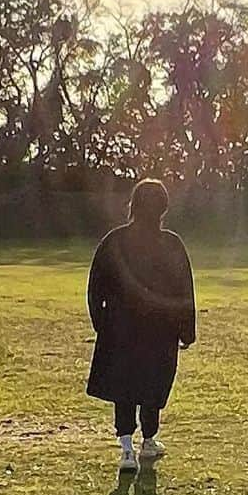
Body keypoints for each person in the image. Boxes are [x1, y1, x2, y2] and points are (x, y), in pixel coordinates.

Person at [86, 178, 196, 472]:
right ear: (163, 208)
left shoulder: (114, 240)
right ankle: (149, 440)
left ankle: (126, 449)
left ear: (133, 205)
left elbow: (96, 286)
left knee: (124, 386)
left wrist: (102, 323)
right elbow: (184, 289)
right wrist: (187, 330)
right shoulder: (171, 244)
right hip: (160, 330)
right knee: (152, 383)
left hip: (120, 329)